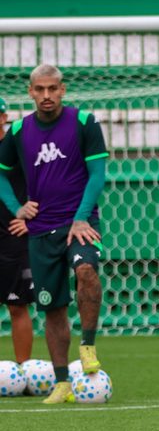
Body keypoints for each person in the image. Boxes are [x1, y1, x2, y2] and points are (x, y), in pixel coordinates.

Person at [0, 64, 109, 404]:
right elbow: (1, 174)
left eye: (53, 89)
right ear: (30, 92)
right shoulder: (18, 131)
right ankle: (62, 382)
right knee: (52, 308)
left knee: (86, 272)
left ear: (63, 89)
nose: (47, 96)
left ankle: (88, 345)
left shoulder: (84, 123)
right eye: (40, 90)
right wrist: (17, 207)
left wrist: (80, 218)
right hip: (40, 231)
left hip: (80, 226)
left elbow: (97, 175)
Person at [0, 97, 34, 364]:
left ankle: (22, 371)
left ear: (3, 117)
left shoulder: (17, 150)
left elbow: (43, 184)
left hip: (13, 236)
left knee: (16, 305)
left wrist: (29, 220)